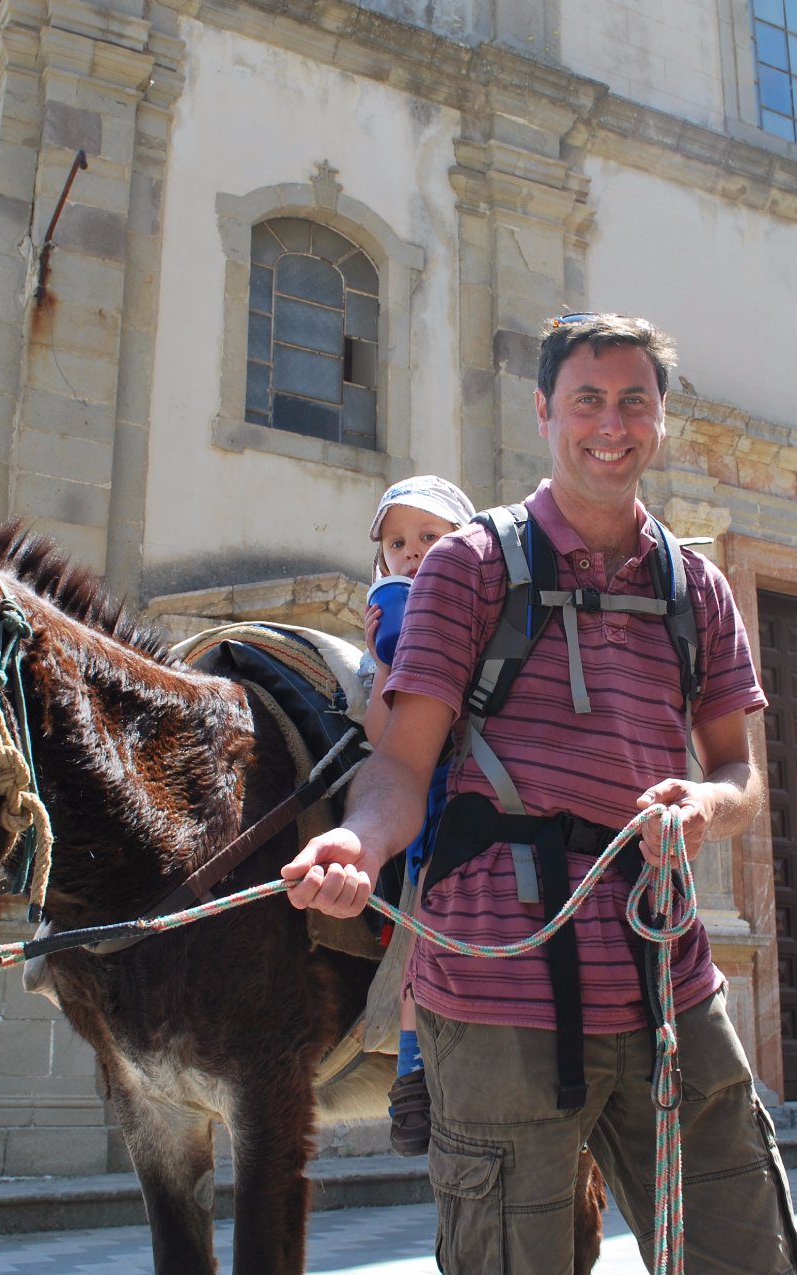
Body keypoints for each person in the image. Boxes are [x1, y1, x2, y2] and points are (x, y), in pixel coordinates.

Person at [285, 313, 797, 1274]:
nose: (611, 423)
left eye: (633, 401)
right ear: (544, 411)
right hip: (494, 994)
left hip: (669, 984)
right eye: (588, 401)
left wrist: (704, 807)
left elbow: (740, 770)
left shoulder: (698, 587)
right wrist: (359, 842)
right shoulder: (468, 567)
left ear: (659, 419)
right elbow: (402, 763)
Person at [360, 473, 476, 1155]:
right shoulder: (393, 624)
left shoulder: (486, 611)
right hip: (422, 802)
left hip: (478, 795)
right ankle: (412, 1076)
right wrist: (383, 662)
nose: (411, 552)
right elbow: (384, 733)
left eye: (430, 537)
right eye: (398, 542)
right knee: (419, 933)